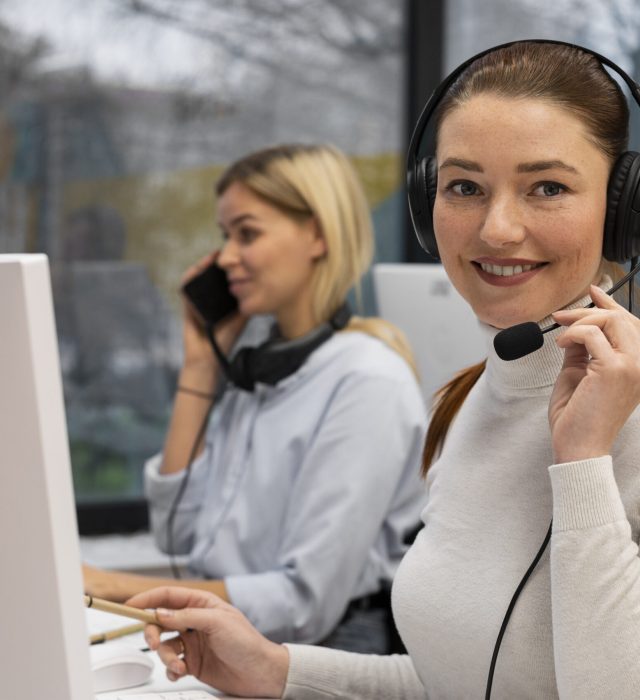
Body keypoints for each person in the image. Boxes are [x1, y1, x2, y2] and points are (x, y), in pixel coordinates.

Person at [126, 41, 640, 698]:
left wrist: (583, 462)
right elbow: (449, 680)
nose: (497, 228)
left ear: (623, 210)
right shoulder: (469, 401)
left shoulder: (624, 426)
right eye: (464, 187)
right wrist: (277, 670)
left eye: (548, 187)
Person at [83, 143, 427, 652]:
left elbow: (301, 605)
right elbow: (176, 533)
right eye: (225, 237)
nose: (225, 258)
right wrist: (201, 365)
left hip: (323, 653)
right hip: (230, 639)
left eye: (247, 233)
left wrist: (116, 587)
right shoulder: (257, 371)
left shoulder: (367, 380)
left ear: (316, 233)